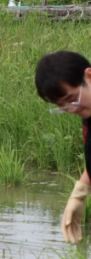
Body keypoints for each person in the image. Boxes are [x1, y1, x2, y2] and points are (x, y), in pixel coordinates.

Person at [36, 51, 91, 243]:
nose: (72, 109)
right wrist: (79, 193)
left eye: (72, 98)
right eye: (63, 106)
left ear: (89, 76)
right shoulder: (88, 112)